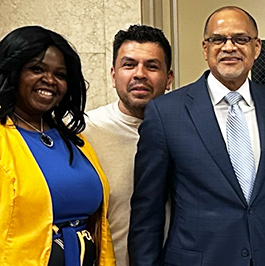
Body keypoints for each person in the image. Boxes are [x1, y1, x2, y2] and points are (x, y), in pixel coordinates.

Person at [130, 6, 265, 266]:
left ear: (256, 47)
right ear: (205, 48)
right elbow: (147, 211)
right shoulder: (165, 113)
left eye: (240, 39)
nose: (229, 47)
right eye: (218, 39)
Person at [0, 26, 114, 266]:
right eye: (36, 69)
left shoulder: (73, 140)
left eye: (60, 74)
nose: (49, 80)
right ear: (11, 72)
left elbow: (99, 225)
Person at [85, 24, 174, 266]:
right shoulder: (84, 132)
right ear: (114, 76)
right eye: (129, 64)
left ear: (169, 78)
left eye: (152, 66)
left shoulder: (185, 131)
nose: (140, 74)